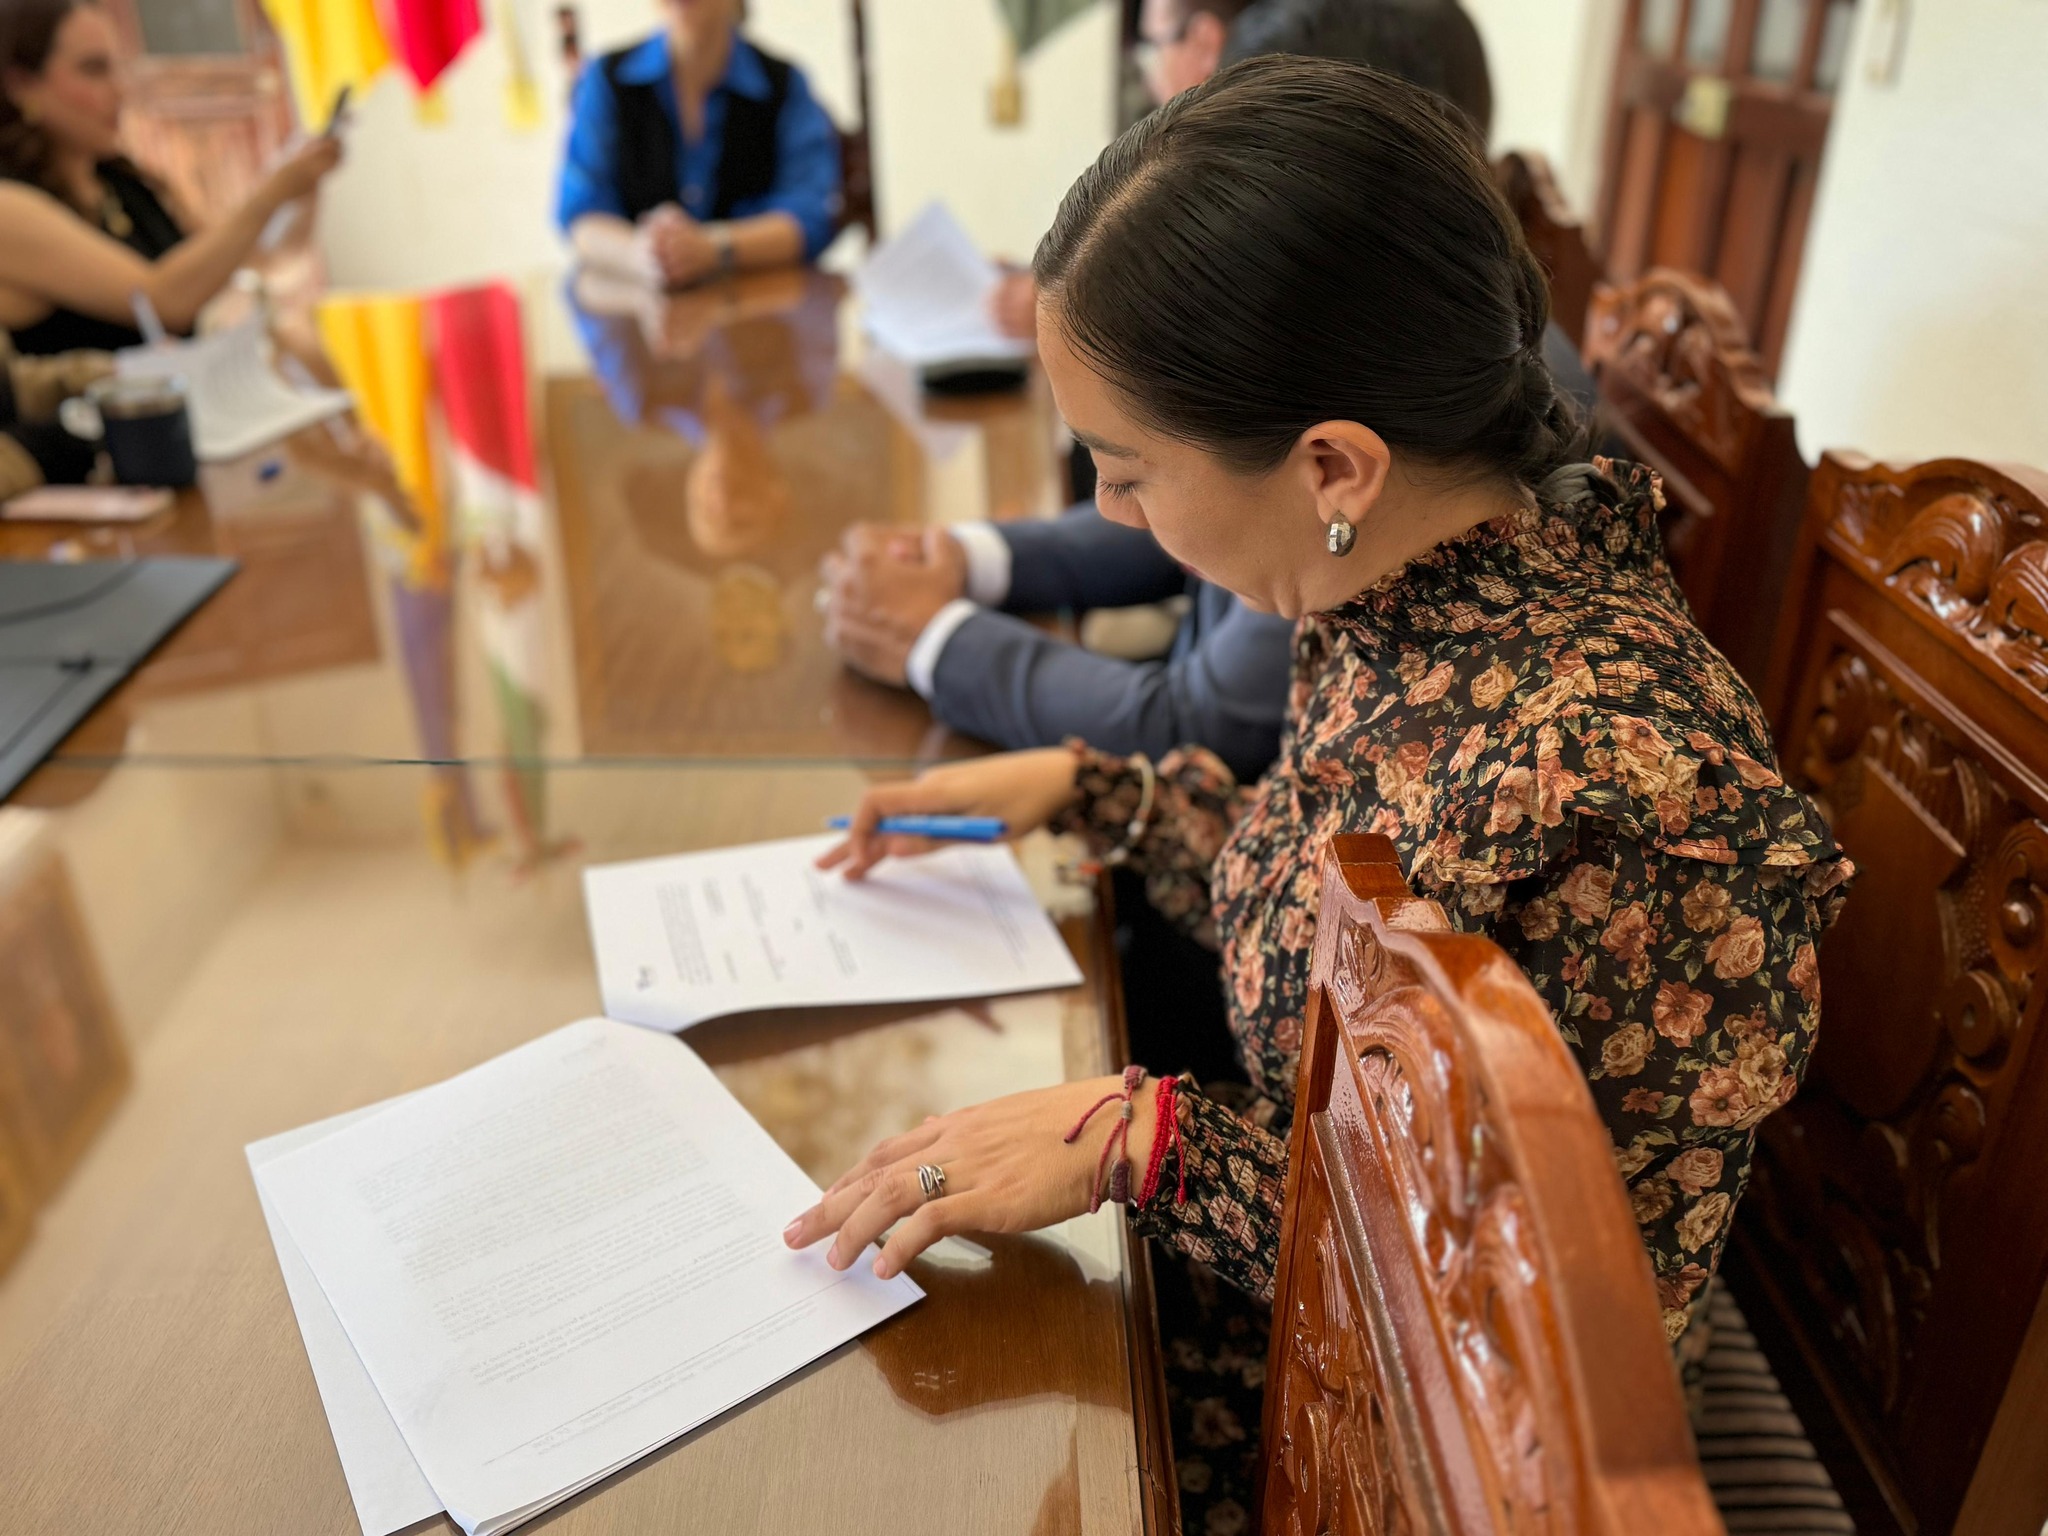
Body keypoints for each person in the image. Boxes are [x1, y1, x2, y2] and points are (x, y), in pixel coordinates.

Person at [785, 54, 1851, 1505]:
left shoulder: (1633, 800)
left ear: (1333, 465)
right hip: (1290, 1271)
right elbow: (1341, 926)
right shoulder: (1398, 589)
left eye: (1125, 470)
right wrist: (1097, 793)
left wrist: (1152, 1150)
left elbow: (1530, 1349)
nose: (1108, 512)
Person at [0, 0, 343, 355]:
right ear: (21, 84)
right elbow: (160, 303)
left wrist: (303, 184)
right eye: (94, 70)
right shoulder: (9, 208)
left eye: (118, 68)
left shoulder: (125, 186)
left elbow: (264, 262)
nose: (120, 90)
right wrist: (272, 193)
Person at [557, 0, 842, 289]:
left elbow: (810, 215)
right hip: (636, 306)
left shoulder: (784, 84)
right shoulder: (605, 79)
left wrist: (714, 247)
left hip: (759, 306)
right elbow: (582, 213)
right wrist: (641, 253)